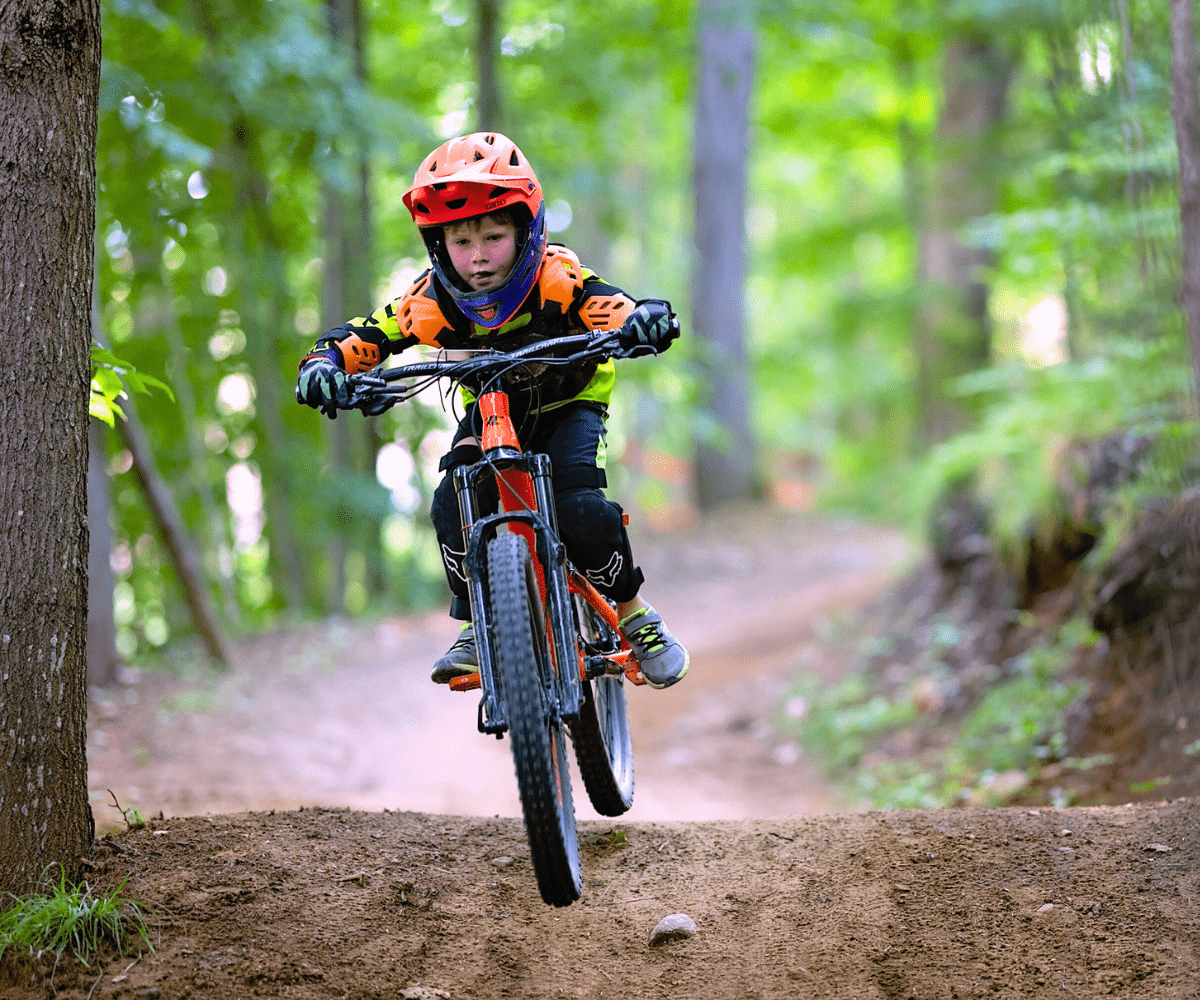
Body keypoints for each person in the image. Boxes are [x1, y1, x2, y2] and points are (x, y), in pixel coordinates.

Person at [296, 131, 688, 689]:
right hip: (493, 407)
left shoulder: (558, 280)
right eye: (459, 240)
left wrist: (643, 320)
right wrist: (324, 366)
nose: (477, 256)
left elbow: (614, 306)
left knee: (581, 510)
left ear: (526, 231)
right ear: (439, 245)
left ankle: (633, 612)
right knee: (451, 501)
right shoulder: (428, 302)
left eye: (494, 235)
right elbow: (363, 335)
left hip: (571, 401)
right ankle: (479, 626)